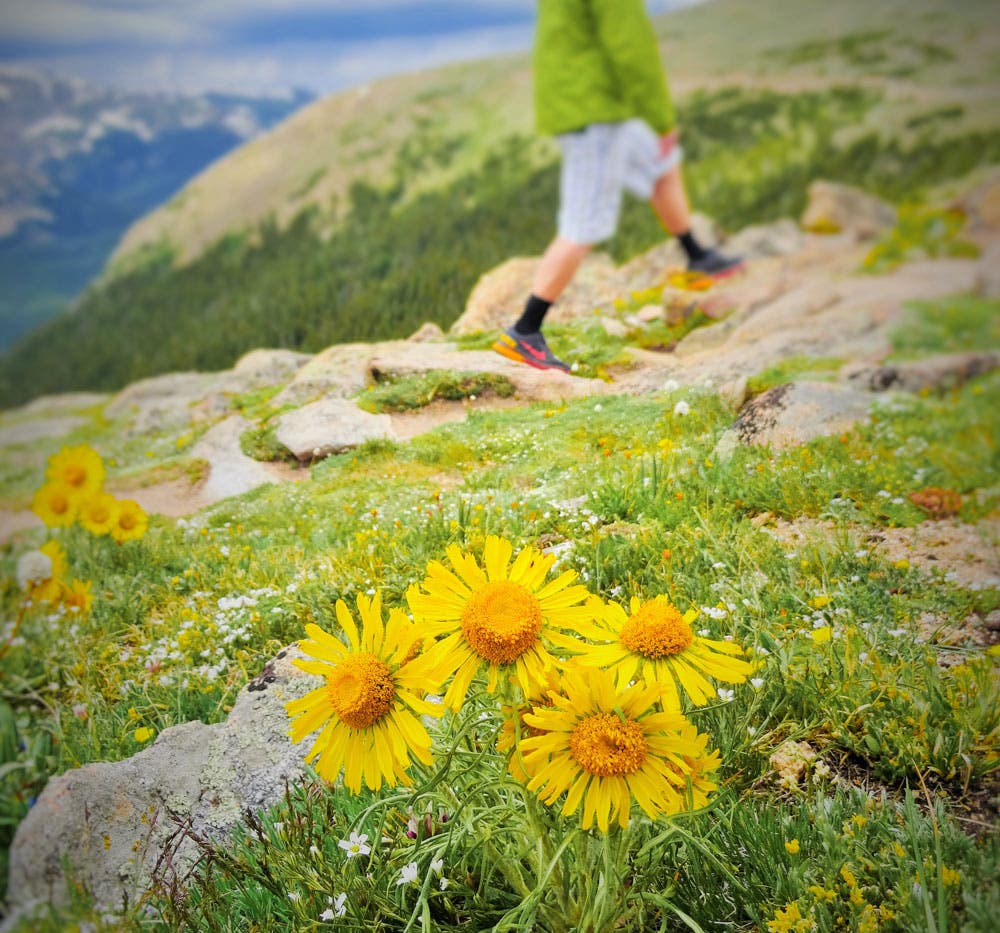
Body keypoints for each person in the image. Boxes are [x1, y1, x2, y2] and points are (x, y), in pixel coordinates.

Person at [493, 0, 743, 372]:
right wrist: (661, 118)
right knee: (583, 225)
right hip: (596, 114)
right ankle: (525, 329)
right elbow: (631, 48)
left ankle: (697, 256)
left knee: (661, 164)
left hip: (588, 104)